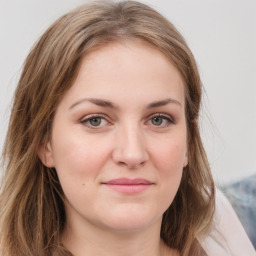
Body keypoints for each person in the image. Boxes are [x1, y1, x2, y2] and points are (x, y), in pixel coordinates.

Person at [0, 1, 254, 256]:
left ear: (189, 139)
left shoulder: (230, 239)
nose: (132, 154)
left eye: (158, 120)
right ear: (44, 142)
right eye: (95, 120)